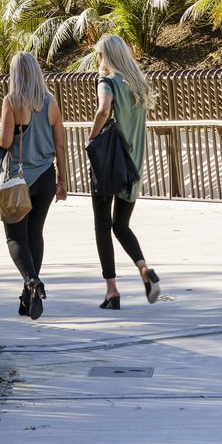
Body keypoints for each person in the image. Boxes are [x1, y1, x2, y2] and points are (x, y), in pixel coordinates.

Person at [87, 33, 161, 309]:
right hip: (134, 164)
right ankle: (144, 269)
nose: (97, 59)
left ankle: (112, 290)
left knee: (102, 227)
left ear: (106, 56)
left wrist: (92, 137)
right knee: (121, 225)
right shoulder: (139, 85)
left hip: (109, 162)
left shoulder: (106, 81)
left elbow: (103, 110)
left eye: (98, 54)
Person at [0, 51, 68, 321]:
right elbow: (60, 144)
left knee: (16, 238)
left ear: (15, 74)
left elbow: (5, 143)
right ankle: (28, 297)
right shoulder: (50, 102)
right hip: (46, 179)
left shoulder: (12, 101)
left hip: (19, 180)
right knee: (35, 234)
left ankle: (31, 282)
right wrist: (62, 180)